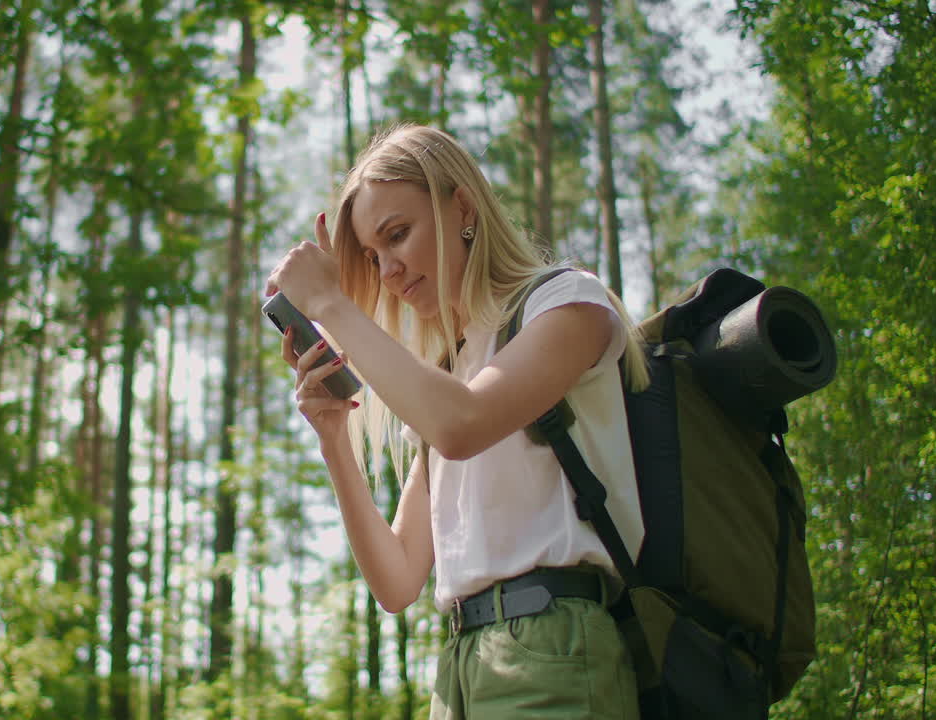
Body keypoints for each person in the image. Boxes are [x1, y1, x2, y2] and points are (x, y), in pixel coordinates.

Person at [265, 123, 648, 719]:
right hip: (458, 667)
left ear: (463, 207)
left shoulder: (567, 302)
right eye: (372, 257)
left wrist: (330, 304)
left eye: (398, 235)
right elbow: (397, 581)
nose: (387, 271)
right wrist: (334, 438)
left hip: (554, 643)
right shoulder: (448, 372)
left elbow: (462, 425)